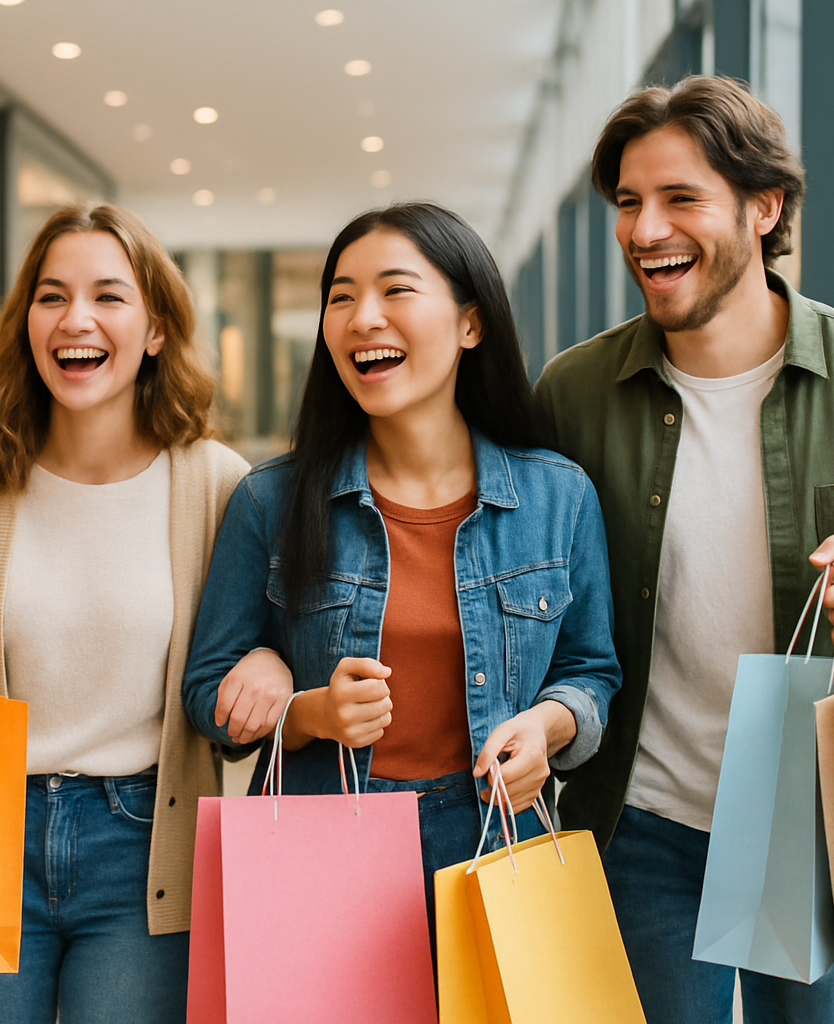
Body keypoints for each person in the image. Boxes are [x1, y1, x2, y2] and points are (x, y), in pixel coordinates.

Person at [535, 75, 834, 1023]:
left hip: (815, 817)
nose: (645, 230)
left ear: (764, 207)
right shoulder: (573, 396)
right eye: (628, 201)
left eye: (681, 198)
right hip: (642, 819)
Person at [182, 202, 621, 923]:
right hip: (323, 844)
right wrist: (308, 711)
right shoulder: (270, 500)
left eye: (395, 290)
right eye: (341, 297)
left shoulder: (558, 496)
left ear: (471, 324)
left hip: (494, 842)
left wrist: (548, 726)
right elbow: (208, 696)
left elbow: (592, 670)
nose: (363, 318)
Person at [0, 201, 249, 1024]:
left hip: (143, 843)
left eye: (108, 296)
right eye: (51, 296)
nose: (75, 318)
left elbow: (238, 677)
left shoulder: (216, 483)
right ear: (26, 322)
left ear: (157, 329)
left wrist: (265, 661)